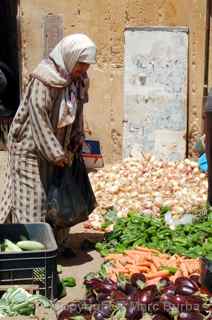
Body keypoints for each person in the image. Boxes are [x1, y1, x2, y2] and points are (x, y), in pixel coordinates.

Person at [0, 33, 97, 256]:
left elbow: (78, 111)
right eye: (80, 65)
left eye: (86, 66)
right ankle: (28, 253)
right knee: (33, 200)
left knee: (58, 198)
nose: (83, 70)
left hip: (59, 148)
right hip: (30, 149)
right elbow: (38, 121)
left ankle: (55, 246)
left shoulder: (79, 80)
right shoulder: (44, 80)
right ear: (70, 57)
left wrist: (75, 140)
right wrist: (56, 154)